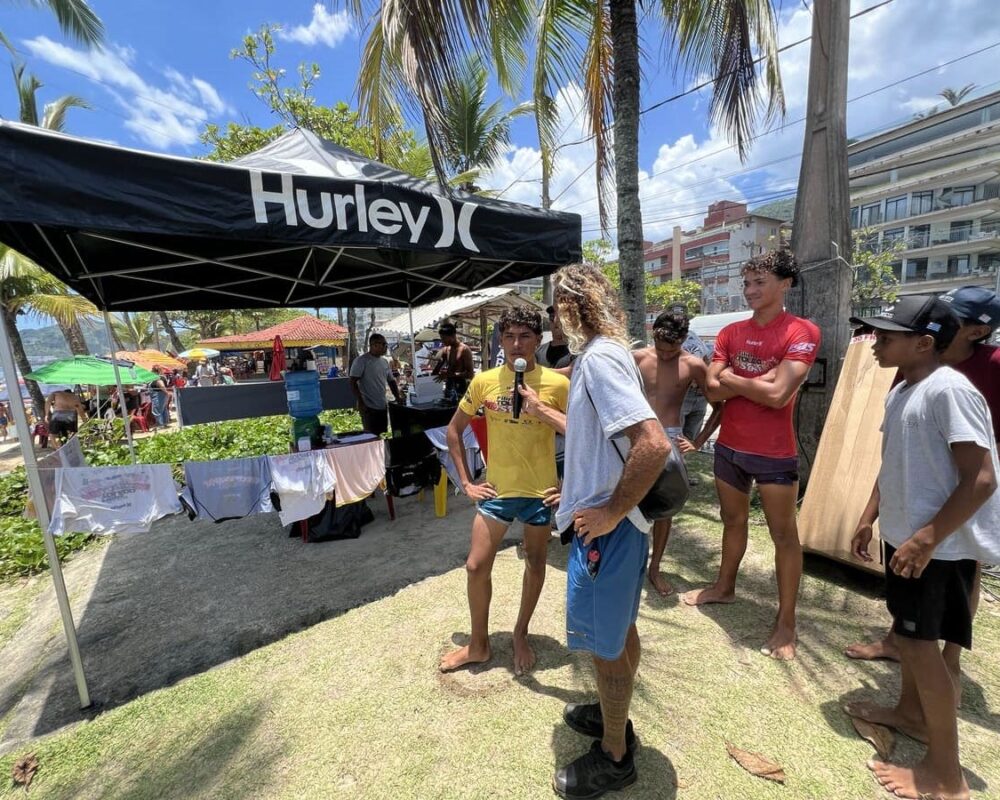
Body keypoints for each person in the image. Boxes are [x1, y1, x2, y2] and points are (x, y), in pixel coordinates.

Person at [843, 295, 999, 800]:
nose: (874, 345)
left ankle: (947, 777)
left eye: (886, 337)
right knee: (911, 638)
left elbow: (981, 479)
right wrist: (871, 518)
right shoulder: (904, 390)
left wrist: (928, 537)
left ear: (925, 342)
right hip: (907, 538)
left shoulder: (948, 391)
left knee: (918, 645)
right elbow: (895, 464)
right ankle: (910, 715)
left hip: (940, 549)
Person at [549, 264, 670, 799]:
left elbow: (653, 444)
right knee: (617, 631)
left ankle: (615, 755)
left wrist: (610, 511)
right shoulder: (609, 353)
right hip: (606, 517)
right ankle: (611, 714)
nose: (554, 317)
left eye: (557, 306)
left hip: (609, 531)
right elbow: (602, 441)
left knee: (604, 645)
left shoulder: (598, 360)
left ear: (573, 307)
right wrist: (575, 492)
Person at [682, 250, 820, 661]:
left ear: (785, 284)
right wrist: (760, 378)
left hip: (774, 453)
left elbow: (780, 397)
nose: (751, 291)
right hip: (730, 447)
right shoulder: (730, 332)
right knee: (732, 520)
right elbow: (711, 389)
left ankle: (787, 621)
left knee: (783, 535)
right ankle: (724, 586)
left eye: (760, 282)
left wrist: (733, 378)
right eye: (747, 283)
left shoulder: (802, 331)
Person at [439, 307, 569, 676]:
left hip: (540, 492)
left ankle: (520, 632)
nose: (516, 344)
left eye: (525, 337)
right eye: (509, 336)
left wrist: (570, 486)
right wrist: (466, 481)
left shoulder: (558, 385)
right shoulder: (484, 381)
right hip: (497, 491)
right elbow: (454, 430)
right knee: (476, 565)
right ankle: (478, 644)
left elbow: (584, 435)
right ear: (500, 340)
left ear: (538, 340)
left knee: (535, 562)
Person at [633, 308, 723, 596]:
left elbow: (720, 405)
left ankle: (654, 568)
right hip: (635, 436)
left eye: (672, 350)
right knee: (628, 501)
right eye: (661, 348)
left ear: (684, 340)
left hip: (670, 438)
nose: (665, 355)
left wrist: (697, 442)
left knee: (664, 507)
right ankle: (629, 565)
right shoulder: (636, 358)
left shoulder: (694, 364)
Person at [349, 333, 401, 435]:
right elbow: (352, 382)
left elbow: (391, 381)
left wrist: (397, 397)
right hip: (368, 407)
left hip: (382, 405)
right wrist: (360, 401)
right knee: (371, 436)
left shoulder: (384, 362)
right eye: (384, 344)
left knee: (382, 434)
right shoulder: (361, 361)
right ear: (374, 345)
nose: (386, 347)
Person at [432, 321, 474, 403]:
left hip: (462, 389)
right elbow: (437, 368)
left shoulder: (464, 350)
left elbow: (470, 374)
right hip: (449, 388)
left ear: (453, 336)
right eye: (441, 338)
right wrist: (426, 379)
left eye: (444, 338)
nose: (442, 341)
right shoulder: (446, 349)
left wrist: (448, 374)